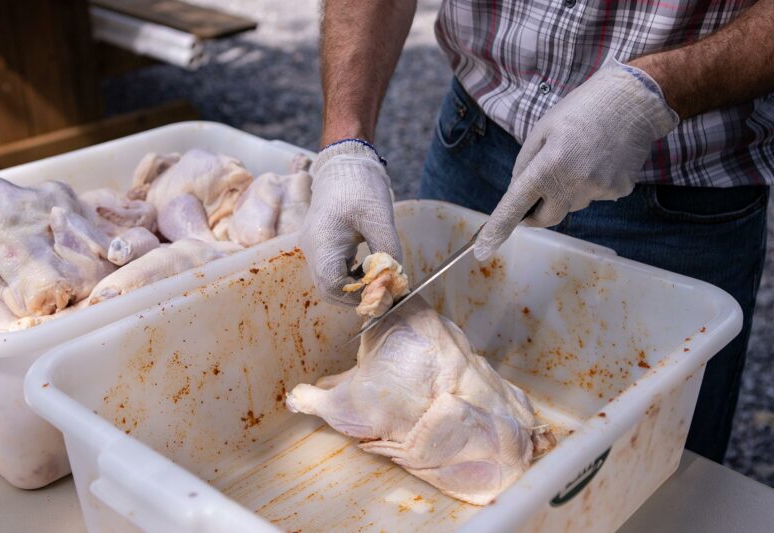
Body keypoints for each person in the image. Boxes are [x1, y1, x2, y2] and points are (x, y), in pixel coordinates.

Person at [300, 1, 774, 462]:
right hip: (476, 140)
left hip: (683, 196)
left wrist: (657, 92)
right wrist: (345, 142)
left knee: (661, 471)